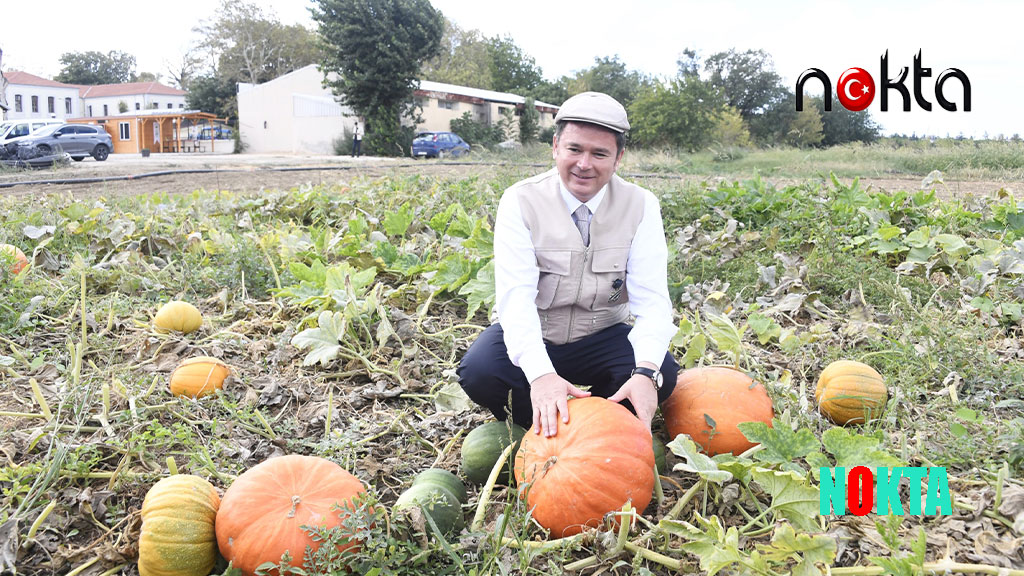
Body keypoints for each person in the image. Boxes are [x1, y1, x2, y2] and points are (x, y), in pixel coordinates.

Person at [458, 91, 679, 438]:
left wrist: (646, 373)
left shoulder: (641, 205)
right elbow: (516, 300)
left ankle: (599, 426)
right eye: (574, 149)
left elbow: (653, 302)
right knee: (481, 371)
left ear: (619, 158)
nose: (584, 164)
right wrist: (541, 374)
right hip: (540, 331)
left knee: (661, 372)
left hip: (602, 334)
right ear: (555, 146)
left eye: (600, 153)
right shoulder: (521, 200)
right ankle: (542, 418)